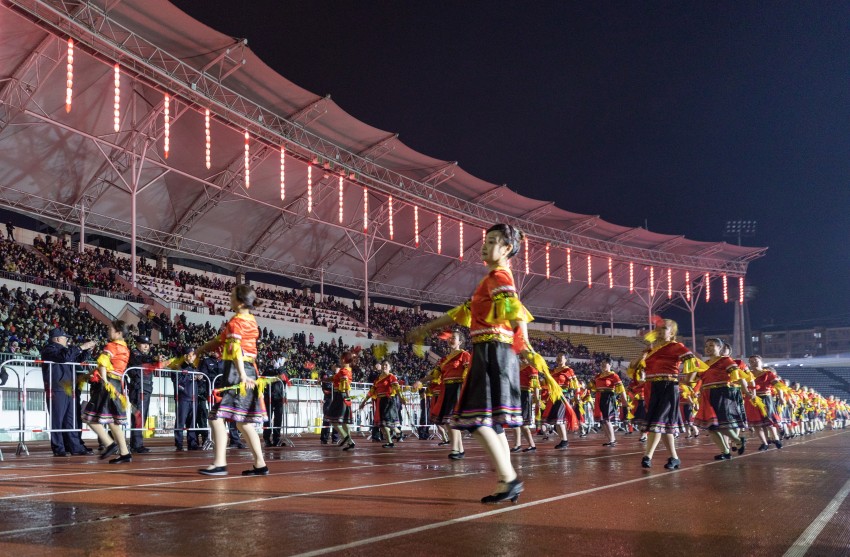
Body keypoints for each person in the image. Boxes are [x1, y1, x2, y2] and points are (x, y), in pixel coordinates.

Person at [408, 223, 532, 504]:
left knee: (475, 420)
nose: (484, 246)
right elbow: (459, 313)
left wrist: (522, 340)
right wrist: (425, 328)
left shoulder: (499, 277)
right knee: (492, 424)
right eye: (485, 241)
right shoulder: (488, 283)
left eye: (492, 241)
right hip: (491, 351)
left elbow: (515, 310)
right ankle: (506, 480)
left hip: (493, 351)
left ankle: (510, 478)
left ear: (507, 248)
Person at [197, 285, 268, 476]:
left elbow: (236, 349)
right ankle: (260, 464)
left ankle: (220, 463)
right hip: (248, 370)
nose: (229, 298)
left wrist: (242, 376)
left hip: (237, 372)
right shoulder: (251, 321)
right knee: (243, 421)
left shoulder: (236, 322)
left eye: (231, 296)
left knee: (216, 417)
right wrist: (199, 350)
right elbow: (221, 341)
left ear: (241, 301)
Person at [631, 318, 699, 470]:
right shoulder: (651, 350)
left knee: (658, 421)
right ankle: (674, 458)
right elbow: (633, 367)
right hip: (651, 387)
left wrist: (688, 380)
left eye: (664, 328)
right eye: (659, 328)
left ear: (672, 332)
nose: (660, 331)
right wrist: (643, 356)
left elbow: (693, 363)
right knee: (663, 425)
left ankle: (647, 456)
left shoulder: (676, 346)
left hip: (668, 386)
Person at [689, 338, 750, 460]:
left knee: (721, 424)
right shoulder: (703, 364)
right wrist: (691, 365)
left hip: (722, 393)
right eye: (706, 346)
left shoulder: (726, 360)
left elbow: (738, 376)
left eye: (711, 345)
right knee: (710, 426)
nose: (708, 348)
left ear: (719, 348)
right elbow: (690, 380)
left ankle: (737, 440)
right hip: (707, 395)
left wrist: (746, 391)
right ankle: (725, 451)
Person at [82, 319, 133, 464]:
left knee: (87, 416)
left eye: (110, 329)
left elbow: (103, 363)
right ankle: (124, 453)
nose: (108, 331)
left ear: (118, 332)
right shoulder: (125, 349)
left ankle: (109, 443)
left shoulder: (112, 346)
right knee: (112, 421)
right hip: (117, 384)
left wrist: (104, 380)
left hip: (108, 383)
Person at [40, 327, 96, 456]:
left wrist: (87, 351)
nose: (67, 341)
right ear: (58, 339)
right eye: (65, 338)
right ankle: (59, 448)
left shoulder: (64, 351)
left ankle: (75, 446)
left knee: (70, 419)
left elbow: (76, 360)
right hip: (57, 388)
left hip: (68, 387)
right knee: (57, 419)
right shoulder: (49, 349)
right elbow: (64, 357)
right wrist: (82, 347)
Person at [429, 330, 471, 459]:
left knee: (452, 420)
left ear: (460, 342)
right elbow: (434, 374)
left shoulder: (464, 355)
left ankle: (455, 449)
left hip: (458, 388)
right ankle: (460, 449)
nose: (451, 340)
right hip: (446, 389)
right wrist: (421, 381)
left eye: (454, 338)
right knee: (447, 421)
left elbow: (468, 373)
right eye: (450, 338)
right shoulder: (443, 359)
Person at [126, 335, 161, 454]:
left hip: (145, 387)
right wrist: (154, 358)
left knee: (142, 416)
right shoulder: (135, 354)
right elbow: (140, 360)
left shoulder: (146, 357)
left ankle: (137, 443)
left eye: (147, 344)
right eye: (143, 344)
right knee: (138, 416)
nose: (146, 346)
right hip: (138, 388)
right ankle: (136, 444)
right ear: (137, 344)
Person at [361, 360, 403, 449]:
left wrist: (401, 397)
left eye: (386, 365)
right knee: (382, 425)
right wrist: (363, 402)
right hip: (380, 402)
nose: (384, 366)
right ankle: (390, 441)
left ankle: (398, 432)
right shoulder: (377, 379)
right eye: (383, 365)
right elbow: (371, 391)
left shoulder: (391, 377)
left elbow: (397, 388)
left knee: (387, 422)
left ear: (390, 367)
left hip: (389, 401)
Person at [168, 346, 200, 451]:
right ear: (185, 356)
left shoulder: (194, 367)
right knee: (180, 422)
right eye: (191, 355)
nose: (193, 357)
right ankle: (179, 443)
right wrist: (191, 376)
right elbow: (177, 380)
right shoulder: (178, 366)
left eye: (194, 355)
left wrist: (200, 378)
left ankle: (192, 443)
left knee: (192, 422)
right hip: (182, 397)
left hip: (193, 397)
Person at [591, 357, 628, 446]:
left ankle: (612, 440)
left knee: (607, 419)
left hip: (608, 398)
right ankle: (610, 440)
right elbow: (591, 387)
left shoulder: (614, 376)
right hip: (598, 397)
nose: (603, 365)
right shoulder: (597, 376)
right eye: (602, 363)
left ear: (610, 365)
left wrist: (625, 403)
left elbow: (621, 389)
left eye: (605, 363)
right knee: (602, 420)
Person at [325, 352, 356, 450]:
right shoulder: (347, 370)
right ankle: (349, 441)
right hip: (343, 396)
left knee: (333, 419)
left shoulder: (343, 371)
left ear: (343, 359)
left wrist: (347, 397)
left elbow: (346, 385)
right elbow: (334, 378)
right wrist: (323, 380)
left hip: (340, 396)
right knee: (344, 421)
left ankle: (347, 439)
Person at [513, 352, 539, 453]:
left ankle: (531, 444)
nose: (521, 357)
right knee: (515, 421)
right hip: (516, 394)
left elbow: (536, 386)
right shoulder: (516, 367)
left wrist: (537, 399)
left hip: (525, 395)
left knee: (523, 422)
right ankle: (517, 444)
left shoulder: (532, 368)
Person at [319, 367, 340, 445]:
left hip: (336, 399)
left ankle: (335, 439)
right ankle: (324, 438)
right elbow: (327, 385)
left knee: (336, 420)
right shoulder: (327, 373)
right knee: (327, 420)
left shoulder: (340, 375)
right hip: (329, 400)